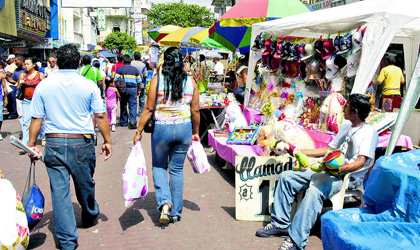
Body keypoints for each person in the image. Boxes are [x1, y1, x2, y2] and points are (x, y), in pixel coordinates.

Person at [255, 94, 378, 250]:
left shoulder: (369, 132)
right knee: (287, 177)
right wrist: (299, 150)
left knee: (314, 190)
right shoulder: (346, 127)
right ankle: (280, 224)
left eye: (346, 107)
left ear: (354, 111)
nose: (343, 109)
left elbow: (361, 161)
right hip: (328, 170)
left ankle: (295, 240)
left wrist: (342, 169)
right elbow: (329, 149)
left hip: (347, 177)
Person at [28, 44, 112, 250]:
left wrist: (31, 144)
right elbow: (100, 116)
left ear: (56, 61)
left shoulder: (44, 85)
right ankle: (90, 213)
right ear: (77, 63)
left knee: (59, 192)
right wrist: (107, 140)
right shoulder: (88, 85)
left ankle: (67, 241)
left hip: (54, 142)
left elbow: (36, 118)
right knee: (85, 183)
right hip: (81, 142)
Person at [133, 47, 200, 224]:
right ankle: (176, 212)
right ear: (182, 62)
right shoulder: (191, 81)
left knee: (159, 166)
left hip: (161, 128)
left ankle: (164, 202)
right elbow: (195, 111)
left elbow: (148, 108)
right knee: (177, 169)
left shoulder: (157, 79)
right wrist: (195, 132)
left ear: (165, 61)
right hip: (184, 127)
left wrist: (139, 131)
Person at [17, 57, 45, 151]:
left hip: (38, 101)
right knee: (26, 122)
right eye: (25, 64)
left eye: (28, 64)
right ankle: (25, 144)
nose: (26, 66)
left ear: (33, 65)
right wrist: (21, 84)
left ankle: (43, 137)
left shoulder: (40, 75)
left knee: (39, 119)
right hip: (26, 100)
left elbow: (45, 88)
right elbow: (18, 88)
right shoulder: (22, 75)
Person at [114, 55, 141, 129]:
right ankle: (132, 121)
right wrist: (138, 90)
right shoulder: (135, 70)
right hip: (132, 89)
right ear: (130, 61)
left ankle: (124, 122)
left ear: (123, 61)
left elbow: (115, 79)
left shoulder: (120, 69)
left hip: (123, 89)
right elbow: (139, 81)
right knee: (133, 106)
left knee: (123, 105)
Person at [6, 55, 26, 119]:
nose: (15, 62)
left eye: (16, 61)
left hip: (28, 93)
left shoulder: (27, 69)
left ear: (21, 60)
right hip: (19, 93)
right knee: (21, 115)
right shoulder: (16, 70)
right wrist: (6, 77)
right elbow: (14, 81)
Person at [131, 52, 148, 117]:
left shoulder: (131, 63)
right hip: (141, 84)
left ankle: (133, 112)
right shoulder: (143, 65)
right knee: (142, 99)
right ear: (140, 57)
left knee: (133, 100)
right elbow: (145, 75)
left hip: (132, 84)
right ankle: (140, 113)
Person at [0, 65, 8, 141]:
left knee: (0, 117)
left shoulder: (0, 75)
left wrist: (6, 98)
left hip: (0, 99)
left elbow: (4, 87)